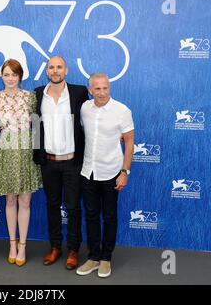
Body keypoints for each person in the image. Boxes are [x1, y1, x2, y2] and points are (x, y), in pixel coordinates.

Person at [76, 73, 134, 278]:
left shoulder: (122, 110)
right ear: (90, 90)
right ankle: (93, 257)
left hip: (112, 172)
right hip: (88, 172)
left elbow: (129, 143)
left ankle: (106, 259)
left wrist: (124, 172)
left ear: (109, 88)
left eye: (105, 88)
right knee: (91, 216)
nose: (101, 92)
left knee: (109, 217)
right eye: (97, 89)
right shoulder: (85, 109)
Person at [33, 56, 88, 270]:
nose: (55, 71)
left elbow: (90, 119)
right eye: (51, 67)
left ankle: (73, 249)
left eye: (59, 67)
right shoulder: (38, 94)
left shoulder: (79, 92)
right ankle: (55, 246)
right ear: (47, 71)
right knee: (52, 206)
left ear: (66, 70)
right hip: (48, 162)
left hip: (73, 162)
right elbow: (34, 126)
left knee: (73, 207)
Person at [0, 59, 42, 267]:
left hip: (26, 153)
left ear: (20, 76)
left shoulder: (31, 98)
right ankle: (12, 244)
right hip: (6, 153)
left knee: (25, 202)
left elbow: (37, 127)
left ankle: (23, 245)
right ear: (1, 76)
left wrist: (37, 153)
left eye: (14, 74)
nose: (10, 78)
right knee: (10, 201)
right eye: (6, 74)